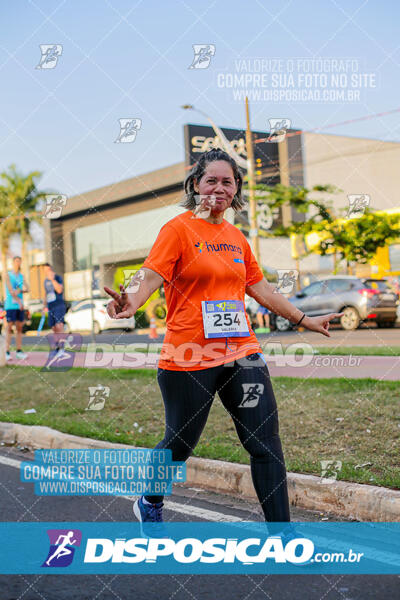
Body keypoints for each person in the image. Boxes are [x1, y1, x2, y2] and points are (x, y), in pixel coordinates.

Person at [104, 148, 342, 536]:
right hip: (189, 354)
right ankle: (149, 499)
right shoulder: (177, 230)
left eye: (226, 181)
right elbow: (150, 276)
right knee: (179, 444)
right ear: (195, 185)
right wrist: (130, 302)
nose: (218, 188)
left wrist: (303, 318)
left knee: (264, 442)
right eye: (210, 180)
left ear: (236, 190)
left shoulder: (236, 238)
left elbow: (260, 288)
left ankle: (283, 536)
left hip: (242, 352)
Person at [5, 256, 29, 361]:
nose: (18, 263)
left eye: (19, 261)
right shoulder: (8, 275)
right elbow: (10, 291)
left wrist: (19, 291)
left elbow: (28, 288)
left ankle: (19, 351)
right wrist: (19, 301)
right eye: (16, 261)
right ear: (13, 262)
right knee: (9, 328)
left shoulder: (21, 276)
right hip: (11, 305)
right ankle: (6, 352)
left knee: (19, 328)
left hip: (20, 306)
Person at [43, 263, 67, 357]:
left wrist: (52, 279)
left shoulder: (57, 278)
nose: (47, 272)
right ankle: (57, 349)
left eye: (48, 269)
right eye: (45, 270)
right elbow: (46, 293)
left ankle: (62, 349)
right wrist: (44, 306)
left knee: (59, 326)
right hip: (51, 307)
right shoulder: (45, 281)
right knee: (54, 328)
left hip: (59, 305)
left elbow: (59, 290)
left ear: (51, 269)